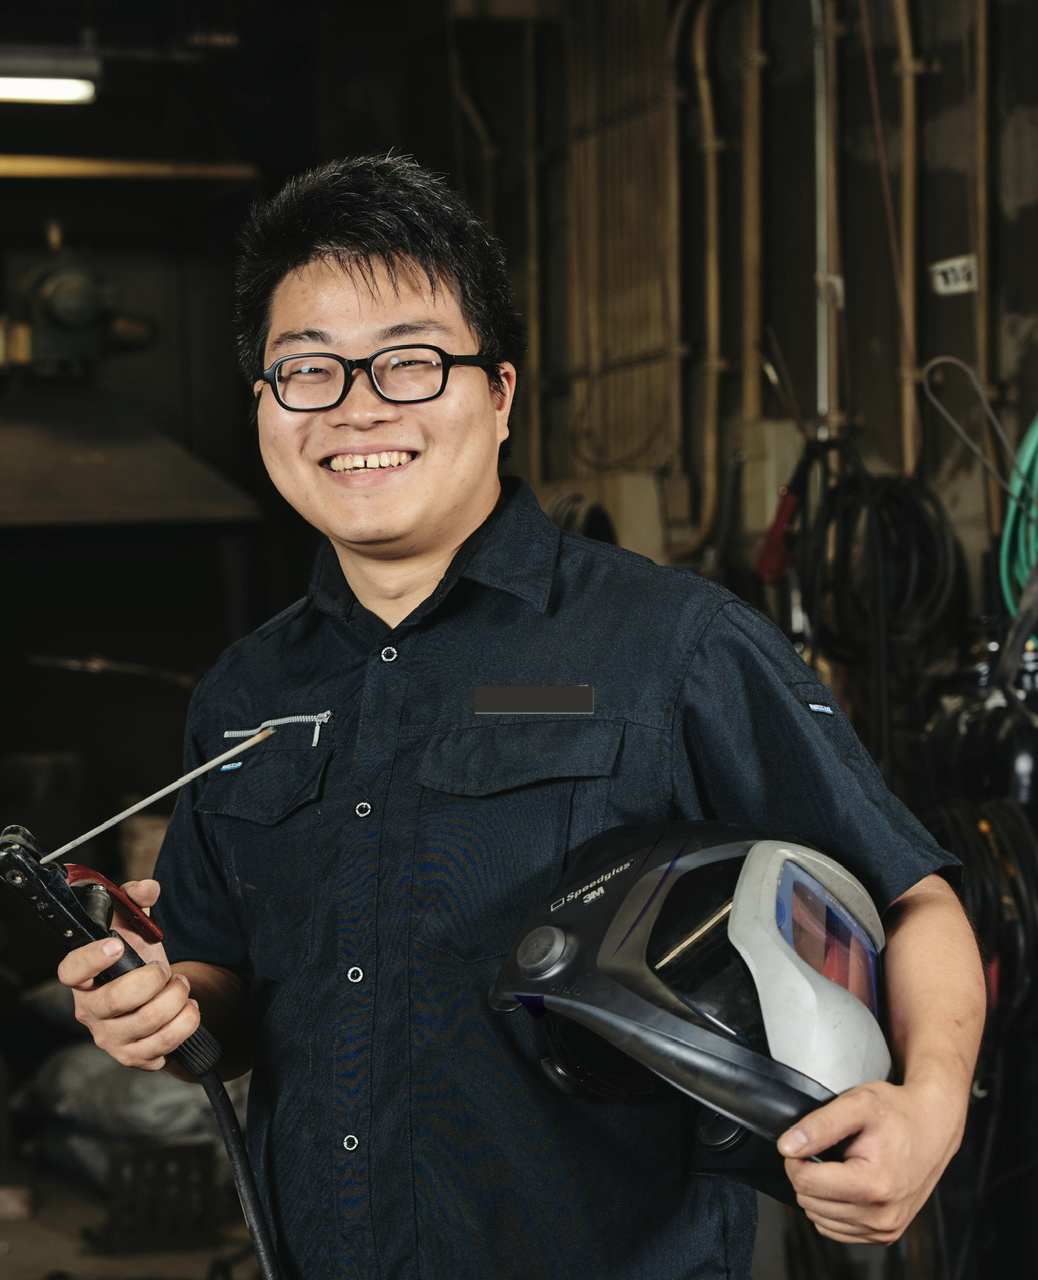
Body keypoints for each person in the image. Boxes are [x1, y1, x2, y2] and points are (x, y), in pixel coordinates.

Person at [59, 155, 985, 1279]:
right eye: (307, 369)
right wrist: (161, 1012)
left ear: (497, 393)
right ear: (263, 402)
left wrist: (929, 1109)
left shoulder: (672, 647)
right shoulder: (247, 694)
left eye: (408, 362)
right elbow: (228, 988)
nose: (356, 407)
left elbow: (912, 897)